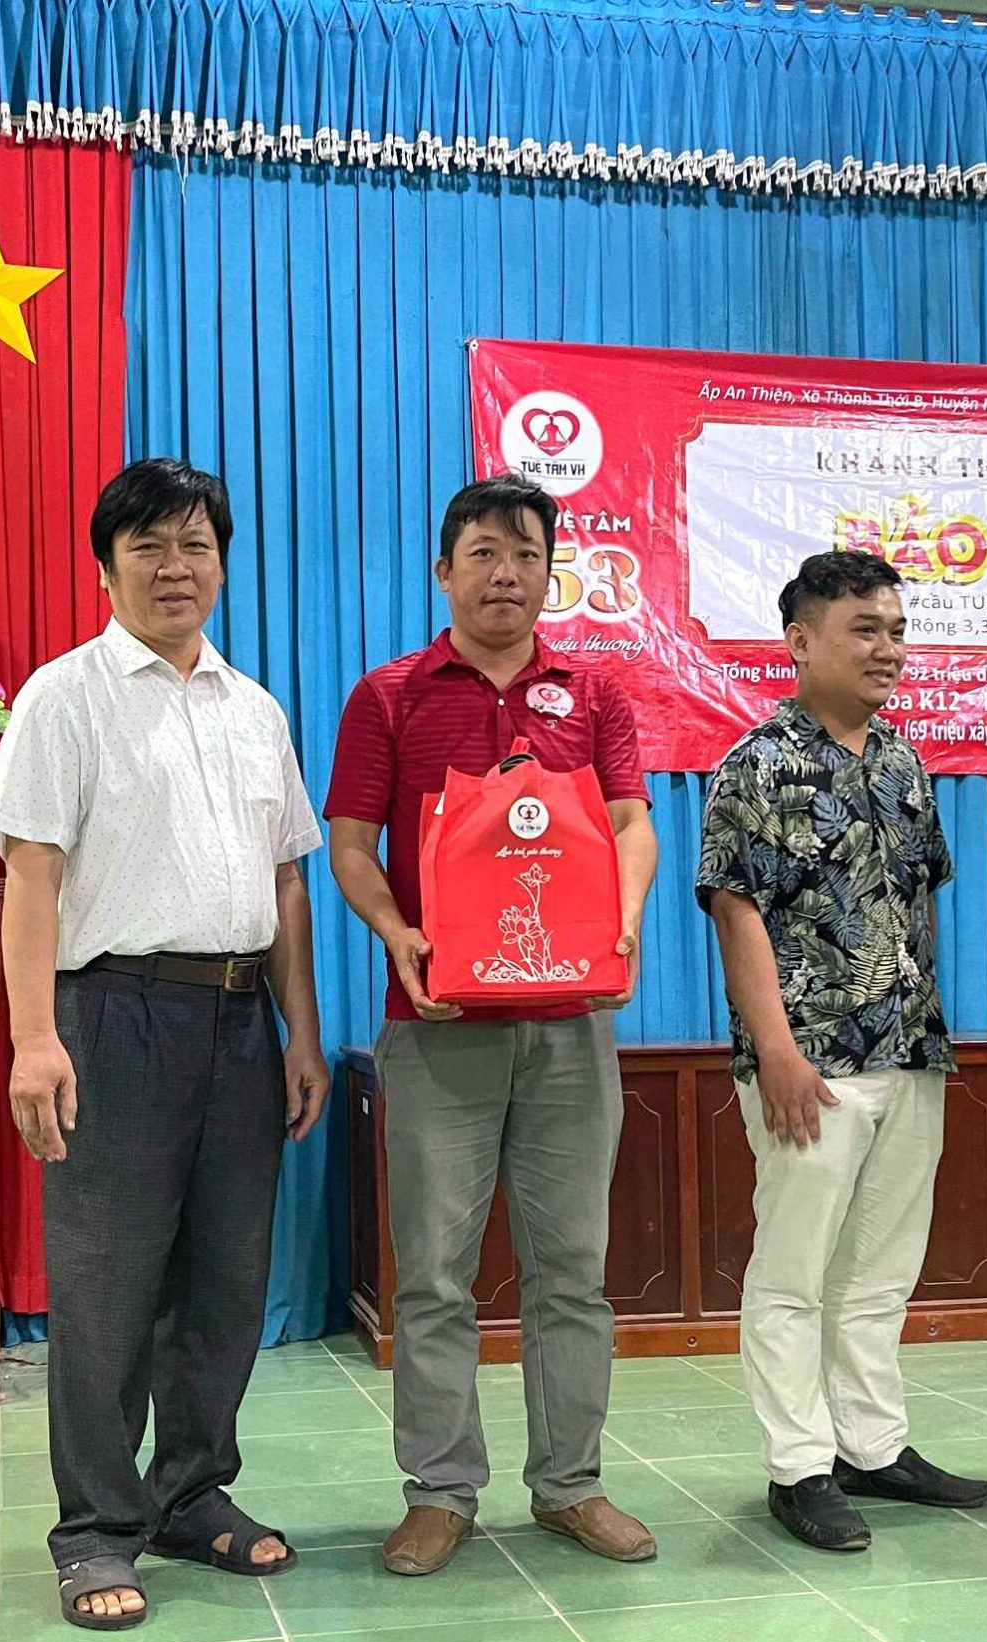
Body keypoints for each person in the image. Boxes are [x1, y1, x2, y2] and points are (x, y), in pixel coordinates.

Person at [0, 458, 333, 1629]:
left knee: (225, 1282)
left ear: (221, 565)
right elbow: (30, 876)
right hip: (113, 1015)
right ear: (106, 566)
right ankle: (94, 1528)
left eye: (195, 546)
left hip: (240, 1021)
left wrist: (301, 1032)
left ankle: (191, 1495)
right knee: (107, 1286)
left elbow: (286, 884)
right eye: (148, 546)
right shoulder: (64, 698)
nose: (174, 567)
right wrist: (35, 1038)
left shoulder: (254, 709)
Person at [325, 475, 661, 1577]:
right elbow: (351, 844)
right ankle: (439, 1491)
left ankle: (570, 1485)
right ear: (444, 572)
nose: (505, 574)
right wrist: (396, 934)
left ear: (550, 574)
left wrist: (622, 923)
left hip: (570, 1025)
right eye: (482, 553)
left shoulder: (596, 694)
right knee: (432, 1273)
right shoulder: (389, 695)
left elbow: (629, 824)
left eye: (525, 555)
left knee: (573, 1269)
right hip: (437, 1023)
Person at [696, 552, 987, 1553]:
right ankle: (799, 1466)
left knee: (878, 1272)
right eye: (864, 628)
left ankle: (872, 1446)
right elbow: (736, 911)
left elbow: (918, 904)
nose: (887, 648)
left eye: (897, 630)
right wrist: (775, 1051)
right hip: (810, 1063)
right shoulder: (755, 764)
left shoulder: (903, 761)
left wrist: (926, 1030)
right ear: (800, 641)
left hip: (909, 1053)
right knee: (793, 1275)